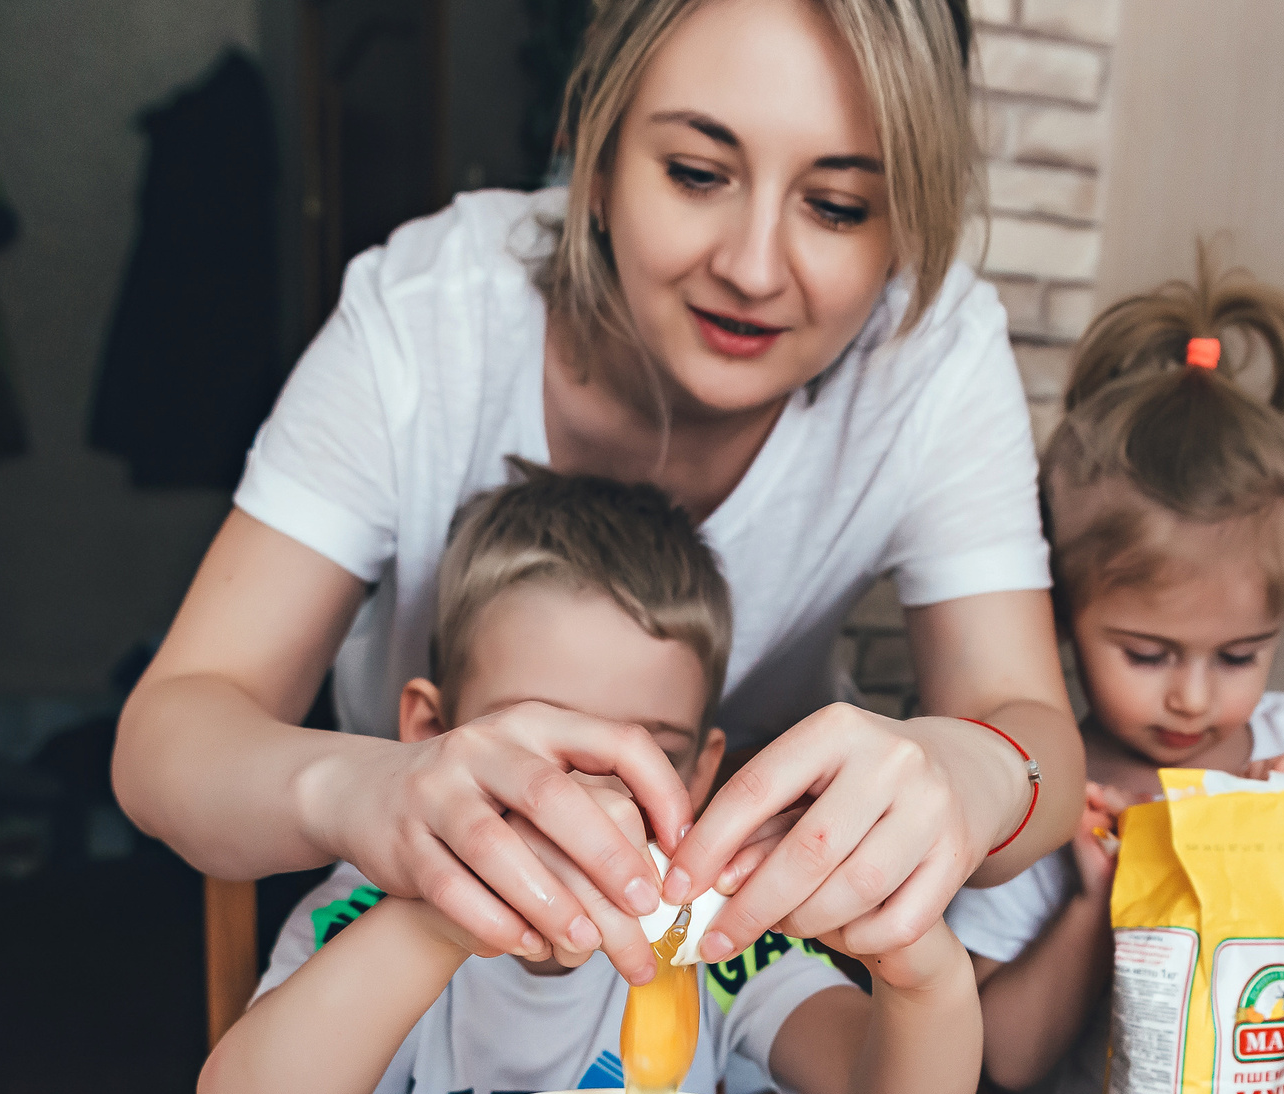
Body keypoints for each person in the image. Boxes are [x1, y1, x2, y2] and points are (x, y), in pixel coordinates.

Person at [114, 0, 1080, 996]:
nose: (751, 269)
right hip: (435, 952)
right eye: (697, 174)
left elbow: (1029, 728)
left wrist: (970, 776)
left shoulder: (935, 356)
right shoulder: (426, 318)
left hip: (719, 975)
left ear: (905, 225)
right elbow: (170, 736)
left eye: (837, 205)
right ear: (595, 145)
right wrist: (370, 790)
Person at [200, 465, 981, 1094]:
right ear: (431, 736)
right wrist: (438, 916)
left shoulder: (710, 951)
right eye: (540, 749)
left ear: (704, 774)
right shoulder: (367, 909)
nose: (599, 800)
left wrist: (920, 967)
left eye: (651, 752)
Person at [948, 253, 1284, 1094]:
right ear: (1065, 615)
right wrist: (1091, 904)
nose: (1192, 695)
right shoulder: (1052, 785)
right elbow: (1006, 1059)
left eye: (1239, 655)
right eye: (1146, 654)